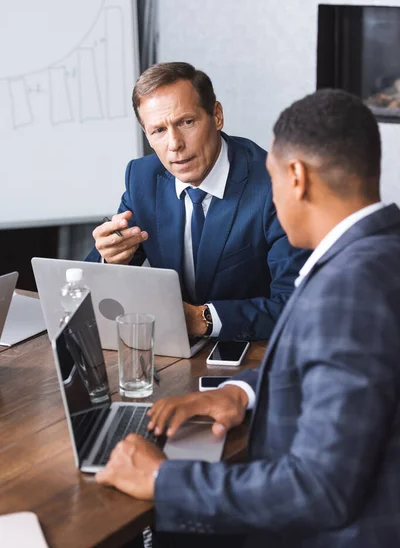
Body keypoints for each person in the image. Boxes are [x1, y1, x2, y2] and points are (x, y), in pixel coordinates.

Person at [96, 88, 400, 547]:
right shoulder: (379, 252)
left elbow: (321, 490)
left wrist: (164, 482)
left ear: (295, 178)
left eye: (272, 178)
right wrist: (240, 392)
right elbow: (335, 369)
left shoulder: (348, 291)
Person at [86, 62, 308, 341]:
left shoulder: (276, 186)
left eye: (186, 122)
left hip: (254, 353)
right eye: (159, 131)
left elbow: (297, 305)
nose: (174, 144)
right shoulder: (142, 177)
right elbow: (97, 279)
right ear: (147, 135)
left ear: (216, 116)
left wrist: (202, 318)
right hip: (173, 351)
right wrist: (109, 259)